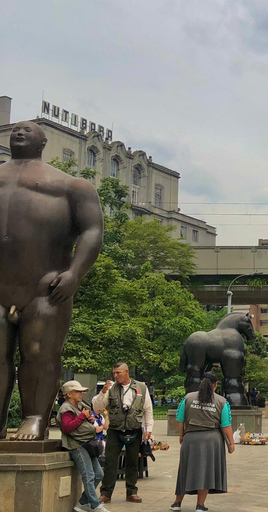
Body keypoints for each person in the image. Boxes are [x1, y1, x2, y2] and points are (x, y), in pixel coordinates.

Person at [0, 121, 103, 441]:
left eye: (28, 130)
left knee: (39, 352)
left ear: (43, 141)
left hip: (45, 286)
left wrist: (74, 272)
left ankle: (34, 417)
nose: (20, 132)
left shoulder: (71, 185)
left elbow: (92, 231)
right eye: (16, 129)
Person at [170, 372, 235, 512]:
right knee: (206, 472)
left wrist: (182, 435)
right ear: (215, 385)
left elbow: (180, 419)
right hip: (211, 441)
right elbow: (226, 425)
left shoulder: (188, 398)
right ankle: (200, 505)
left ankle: (177, 503)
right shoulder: (221, 401)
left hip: (190, 439)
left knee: (185, 471)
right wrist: (231, 443)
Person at [92, 362, 153, 504]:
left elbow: (148, 409)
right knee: (110, 462)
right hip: (115, 430)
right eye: (114, 373)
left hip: (134, 429)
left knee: (133, 462)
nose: (115, 375)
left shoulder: (141, 388)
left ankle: (131, 492)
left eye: (118, 372)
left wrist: (149, 429)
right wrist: (102, 393)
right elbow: (97, 408)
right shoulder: (111, 388)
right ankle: (106, 493)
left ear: (126, 372)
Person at [58, 380, 109, 512]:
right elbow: (67, 427)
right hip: (77, 445)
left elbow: (83, 420)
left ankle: (82, 503)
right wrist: (82, 417)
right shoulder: (66, 408)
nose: (81, 394)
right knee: (89, 474)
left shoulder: (80, 405)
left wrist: (89, 419)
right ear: (69, 394)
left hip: (87, 444)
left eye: (81, 392)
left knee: (98, 473)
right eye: (78, 391)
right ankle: (94, 504)